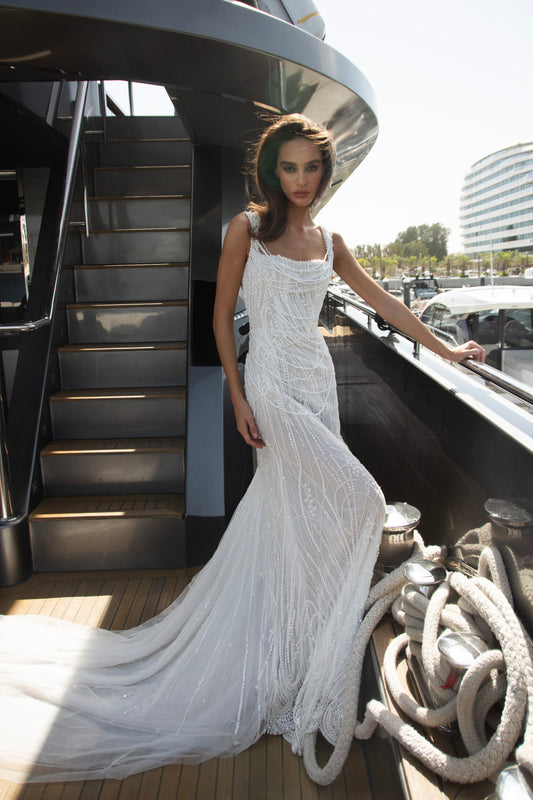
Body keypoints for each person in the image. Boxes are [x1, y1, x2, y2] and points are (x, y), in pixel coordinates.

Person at [0, 114, 485, 786]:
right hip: (271, 387)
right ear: (269, 172)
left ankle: (299, 647)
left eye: (311, 168)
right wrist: (236, 396)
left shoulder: (331, 238)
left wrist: (445, 349)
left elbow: (384, 305)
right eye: (287, 168)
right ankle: (316, 659)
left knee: (293, 512)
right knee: (364, 501)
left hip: (316, 382)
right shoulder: (245, 230)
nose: (301, 181)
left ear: (324, 170)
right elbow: (220, 315)